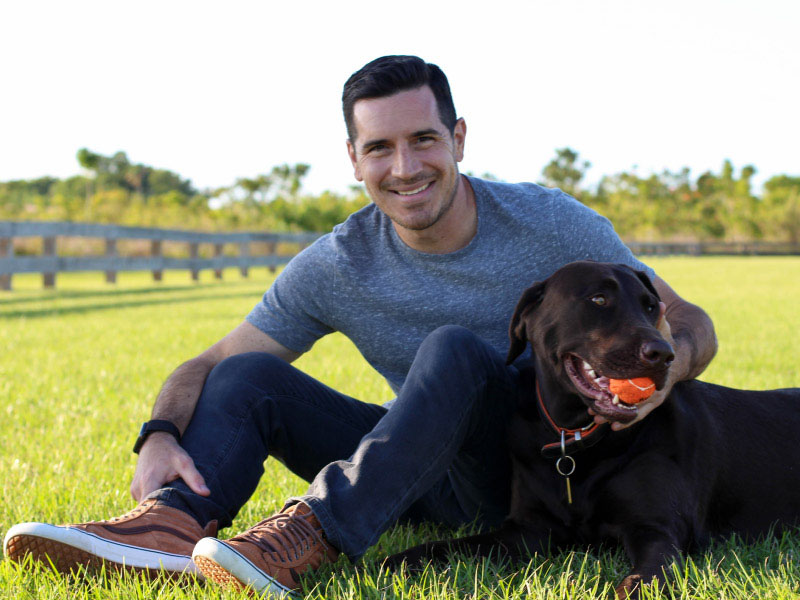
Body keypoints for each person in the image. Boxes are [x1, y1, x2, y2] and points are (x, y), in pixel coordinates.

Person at [3, 55, 717, 597]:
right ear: (354, 159)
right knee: (250, 375)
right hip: (418, 470)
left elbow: (687, 318)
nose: (405, 168)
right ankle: (169, 526)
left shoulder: (549, 223)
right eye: (379, 148)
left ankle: (312, 531)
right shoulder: (338, 261)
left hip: (531, 471)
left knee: (457, 351)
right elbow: (208, 363)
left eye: (424, 140)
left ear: (459, 139)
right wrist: (157, 433)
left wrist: (669, 372)